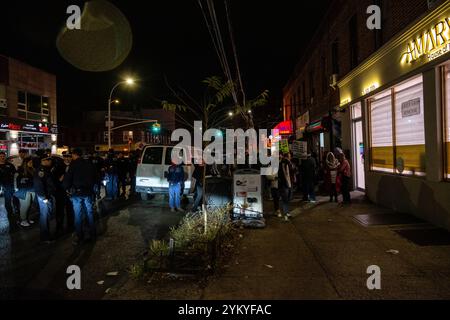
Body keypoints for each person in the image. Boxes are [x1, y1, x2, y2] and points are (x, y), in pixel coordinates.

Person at [63, 148, 97, 246]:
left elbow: (68, 179)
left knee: (78, 214)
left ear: (74, 155)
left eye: (72, 155)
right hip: (88, 192)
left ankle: (79, 235)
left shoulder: (73, 165)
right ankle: (92, 233)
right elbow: (95, 177)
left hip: (76, 193)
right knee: (89, 212)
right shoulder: (89, 164)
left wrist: (66, 188)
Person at [34, 156, 56, 243]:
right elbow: (39, 184)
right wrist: (44, 198)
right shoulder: (41, 170)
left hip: (47, 195)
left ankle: (45, 235)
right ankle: (45, 237)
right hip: (44, 196)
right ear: (44, 160)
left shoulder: (46, 169)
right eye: (49, 160)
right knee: (45, 216)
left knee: (46, 215)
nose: (50, 162)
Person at [14, 157, 35, 228]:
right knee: (24, 206)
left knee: (29, 206)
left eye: (32, 162)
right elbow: (15, 179)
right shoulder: (20, 170)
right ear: (26, 163)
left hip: (32, 190)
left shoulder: (32, 169)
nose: (31, 163)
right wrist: (16, 189)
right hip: (23, 191)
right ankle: (23, 220)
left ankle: (27, 218)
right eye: (30, 162)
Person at [0, 151, 17, 227]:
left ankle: (10, 216)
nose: (2, 157)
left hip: (8, 186)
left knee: (8, 202)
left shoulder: (10, 165)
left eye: (3, 156)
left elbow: (15, 175)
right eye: (0, 156)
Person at [278, 153, 293, 221]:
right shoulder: (284, 164)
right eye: (289, 157)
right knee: (285, 200)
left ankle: (287, 213)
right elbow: (283, 175)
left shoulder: (287, 164)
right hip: (284, 184)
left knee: (287, 199)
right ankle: (285, 214)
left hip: (288, 184)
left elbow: (291, 172)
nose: (290, 158)